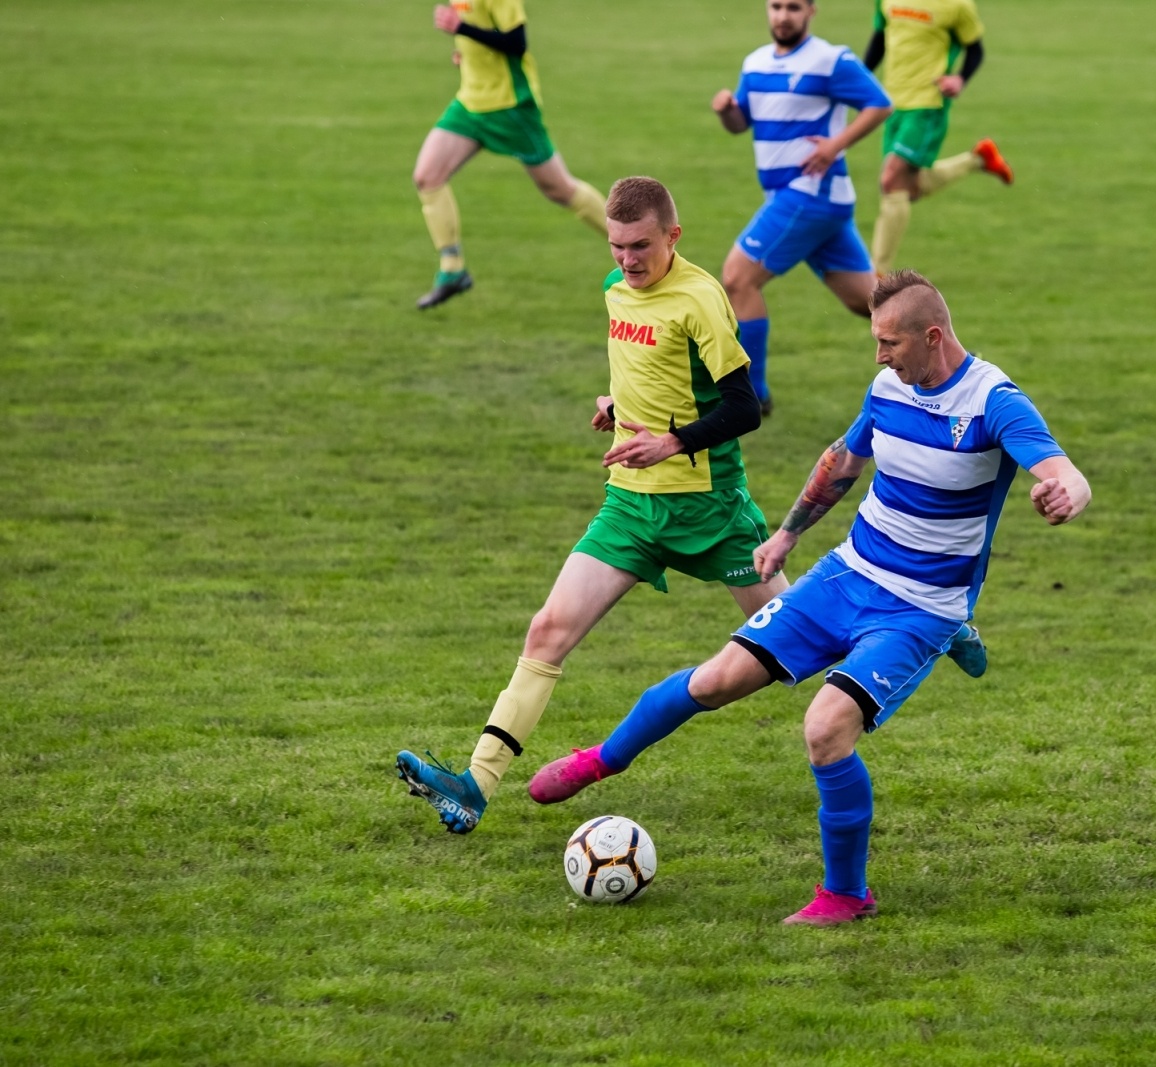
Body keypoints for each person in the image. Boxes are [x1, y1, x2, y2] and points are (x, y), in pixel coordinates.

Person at [528, 270, 1092, 925]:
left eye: (889, 343)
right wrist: (786, 536)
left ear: (933, 337)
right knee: (716, 680)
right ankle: (602, 760)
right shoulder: (888, 389)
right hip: (846, 574)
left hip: (920, 606)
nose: (878, 355)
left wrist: (1064, 495)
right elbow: (841, 462)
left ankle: (847, 894)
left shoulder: (994, 402)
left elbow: (1066, 472)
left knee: (826, 728)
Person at [396, 177, 789, 833]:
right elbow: (647, 373)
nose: (628, 260)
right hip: (631, 507)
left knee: (796, 643)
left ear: (673, 236)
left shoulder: (700, 299)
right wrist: (616, 405)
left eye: (641, 246)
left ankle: (922, 622)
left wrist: (672, 442)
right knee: (547, 629)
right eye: (616, 246)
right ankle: (473, 785)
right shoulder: (614, 290)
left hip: (710, 511)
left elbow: (745, 407)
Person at [710, 0, 893, 414]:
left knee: (738, 278)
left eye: (793, 7)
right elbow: (741, 124)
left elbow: (880, 103)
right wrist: (727, 111)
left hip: (809, 194)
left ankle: (752, 396)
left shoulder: (830, 60)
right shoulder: (755, 63)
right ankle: (952, 361)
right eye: (776, 6)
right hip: (804, 202)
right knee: (870, 303)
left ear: (811, 10)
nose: (783, 15)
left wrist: (834, 146)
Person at [411, 0, 609, 310]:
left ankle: (637, 245)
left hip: (511, 106)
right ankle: (453, 270)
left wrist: (460, 28)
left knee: (560, 188)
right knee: (427, 177)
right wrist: (467, 55)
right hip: (470, 103)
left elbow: (516, 42)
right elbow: (481, 35)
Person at [863, 0, 1014, 276]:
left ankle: (878, 276)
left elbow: (975, 49)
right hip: (892, 102)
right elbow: (880, 39)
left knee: (891, 179)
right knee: (906, 189)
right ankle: (978, 159)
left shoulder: (957, 5)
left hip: (928, 104)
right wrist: (858, 81)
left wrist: (960, 79)